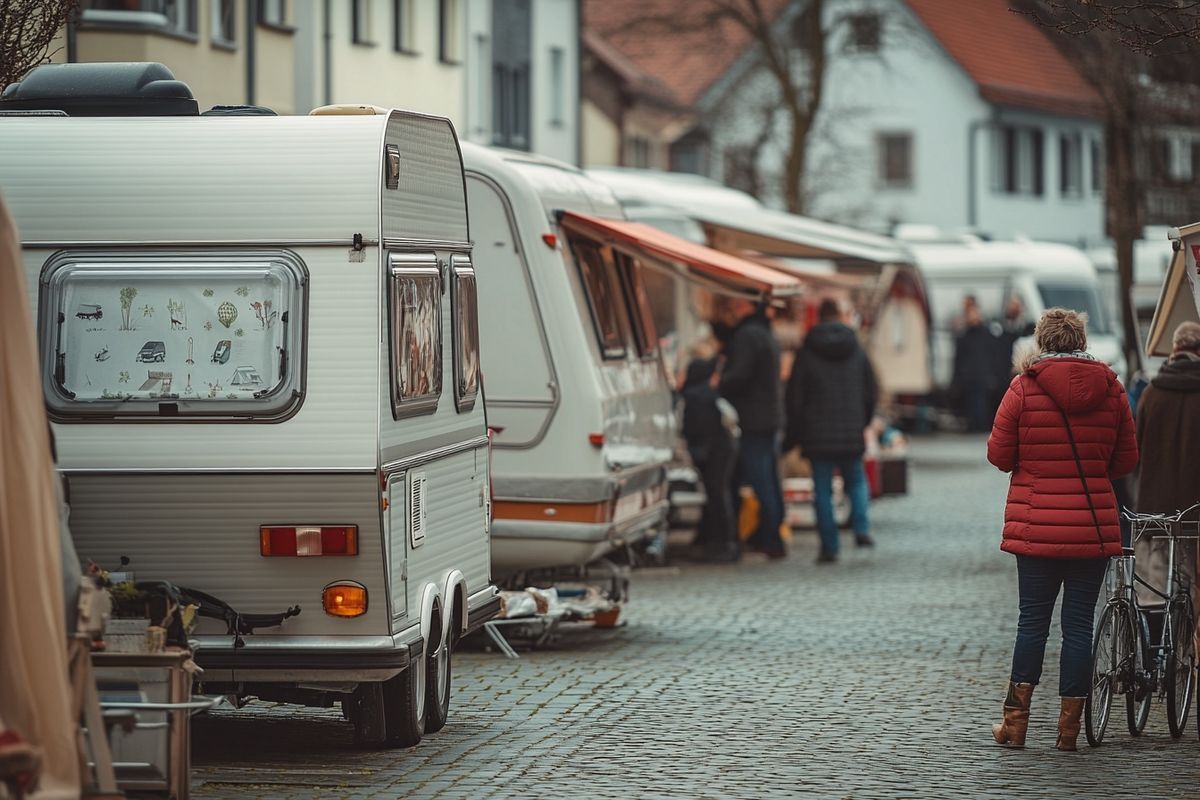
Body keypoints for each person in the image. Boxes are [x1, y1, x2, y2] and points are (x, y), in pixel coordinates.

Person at [987, 308, 1138, 751]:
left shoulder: (1023, 388)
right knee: (1078, 626)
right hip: (1090, 527)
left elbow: (999, 454)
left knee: (1031, 624)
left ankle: (1015, 727)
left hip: (1035, 526)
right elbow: (1126, 461)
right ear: (1081, 340)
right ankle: (1068, 732)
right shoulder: (1111, 389)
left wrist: (1028, 463)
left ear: (1041, 341)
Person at [784, 298, 878, 564]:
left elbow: (795, 396)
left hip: (817, 433)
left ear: (819, 317)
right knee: (856, 481)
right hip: (850, 429)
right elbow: (870, 390)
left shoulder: (807, 351)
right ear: (839, 315)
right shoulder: (856, 349)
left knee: (823, 490)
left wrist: (798, 430)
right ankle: (861, 528)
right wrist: (863, 421)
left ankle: (829, 546)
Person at [1134, 321, 1200, 620]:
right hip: (1195, 509)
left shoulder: (1151, 393)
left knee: (1152, 587)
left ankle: (1154, 653)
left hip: (1154, 508)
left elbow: (1135, 450)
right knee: (1192, 587)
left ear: (1174, 350)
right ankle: (1187, 657)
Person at [718, 298, 786, 559]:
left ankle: (771, 538)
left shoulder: (748, 335)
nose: (734, 308)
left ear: (748, 305)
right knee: (768, 478)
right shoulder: (765, 333)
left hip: (753, 418)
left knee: (761, 480)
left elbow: (740, 375)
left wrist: (719, 383)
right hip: (769, 416)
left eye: (739, 304)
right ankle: (770, 535)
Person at [680, 357, 741, 562]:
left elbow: (694, 429)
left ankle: (721, 542)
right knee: (719, 494)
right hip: (722, 449)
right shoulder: (710, 395)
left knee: (716, 495)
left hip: (712, 452)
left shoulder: (692, 396)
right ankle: (725, 541)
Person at [952, 296, 1000, 432]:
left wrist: (992, 374)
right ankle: (973, 426)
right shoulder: (963, 335)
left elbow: (993, 356)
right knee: (970, 403)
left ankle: (981, 426)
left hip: (982, 375)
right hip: (969, 376)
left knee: (981, 403)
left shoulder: (987, 334)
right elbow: (959, 359)